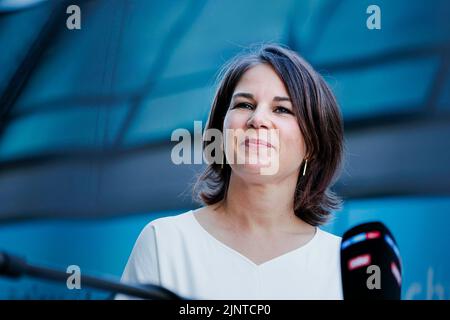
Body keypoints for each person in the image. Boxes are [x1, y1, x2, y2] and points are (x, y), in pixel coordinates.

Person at [117, 44, 344, 300]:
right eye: (245, 104)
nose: (257, 119)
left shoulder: (342, 266)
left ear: (312, 146)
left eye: (282, 109)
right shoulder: (165, 243)